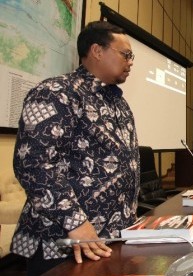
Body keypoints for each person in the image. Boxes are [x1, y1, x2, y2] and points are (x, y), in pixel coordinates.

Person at [11, 21, 139, 275]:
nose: (131, 61)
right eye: (126, 54)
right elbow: (33, 164)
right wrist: (77, 223)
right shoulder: (56, 92)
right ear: (97, 51)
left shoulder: (119, 104)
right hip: (64, 244)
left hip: (109, 241)